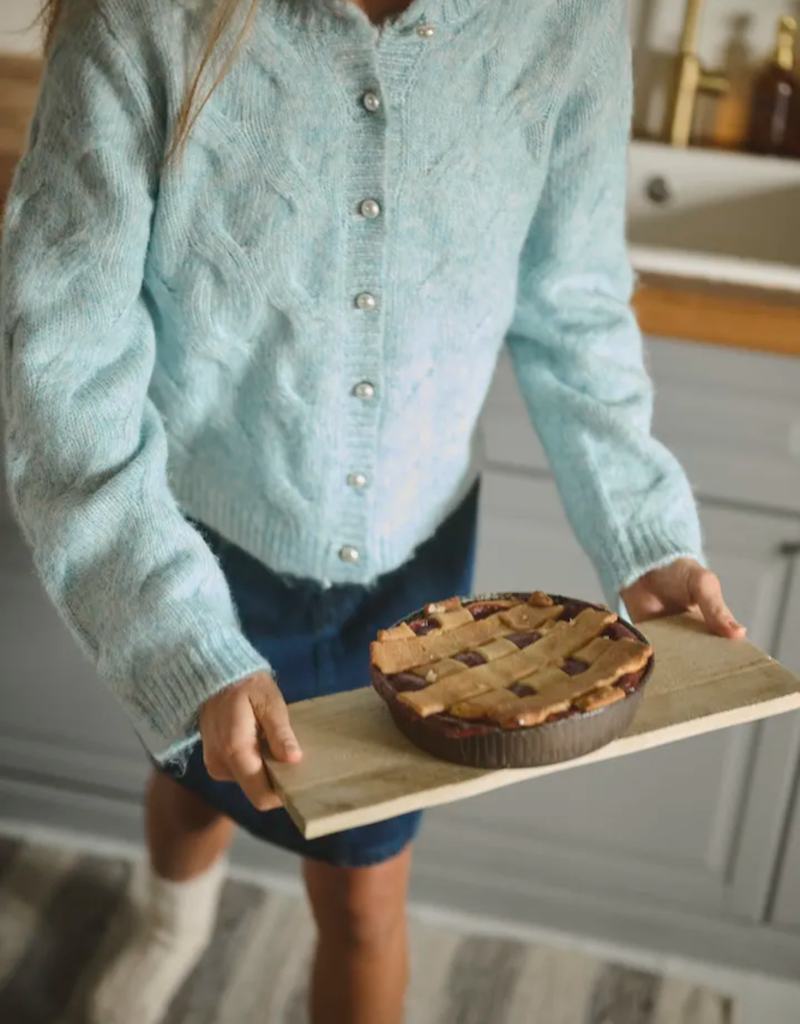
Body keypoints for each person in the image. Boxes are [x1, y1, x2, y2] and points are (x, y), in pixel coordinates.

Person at [0, 1, 746, 1022]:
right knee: (187, 776)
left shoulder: (562, 22)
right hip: (184, 544)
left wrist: (641, 523)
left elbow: (570, 303)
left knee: (362, 888)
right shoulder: (142, 21)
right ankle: (168, 922)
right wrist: (177, 641)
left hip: (414, 574)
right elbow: (63, 375)